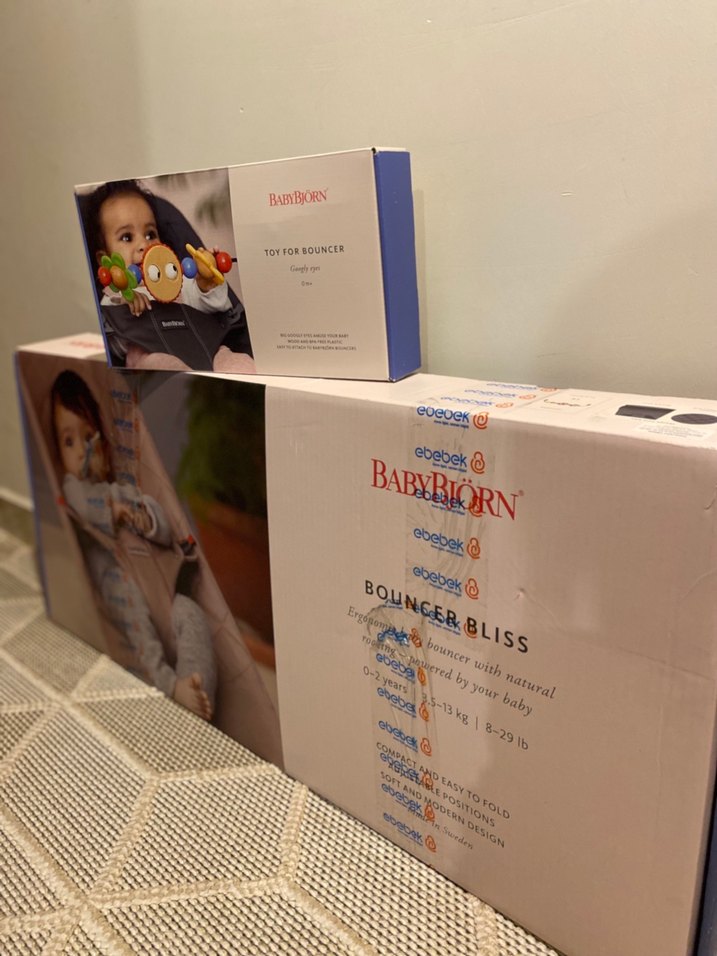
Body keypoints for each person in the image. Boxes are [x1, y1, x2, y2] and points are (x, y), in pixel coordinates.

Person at [51, 369, 217, 720]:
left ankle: (195, 685)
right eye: (69, 442)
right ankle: (169, 685)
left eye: (88, 437)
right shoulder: (73, 489)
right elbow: (83, 505)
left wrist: (145, 518)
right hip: (118, 580)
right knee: (134, 613)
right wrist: (112, 507)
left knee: (191, 615)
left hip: (160, 589)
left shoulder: (124, 489)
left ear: (104, 444)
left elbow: (164, 527)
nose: (81, 451)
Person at [82, 179, 255, 372]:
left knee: (237, 361)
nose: (144, 244)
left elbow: (214, 308)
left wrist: (206, 284)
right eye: (127, 237)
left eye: (150, 234)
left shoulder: (179, 281)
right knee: (161, 366)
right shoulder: (112, 297)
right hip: (150, 357)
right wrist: (126, 300)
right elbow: (115, 346)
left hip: (206, 349)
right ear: (104, 259)